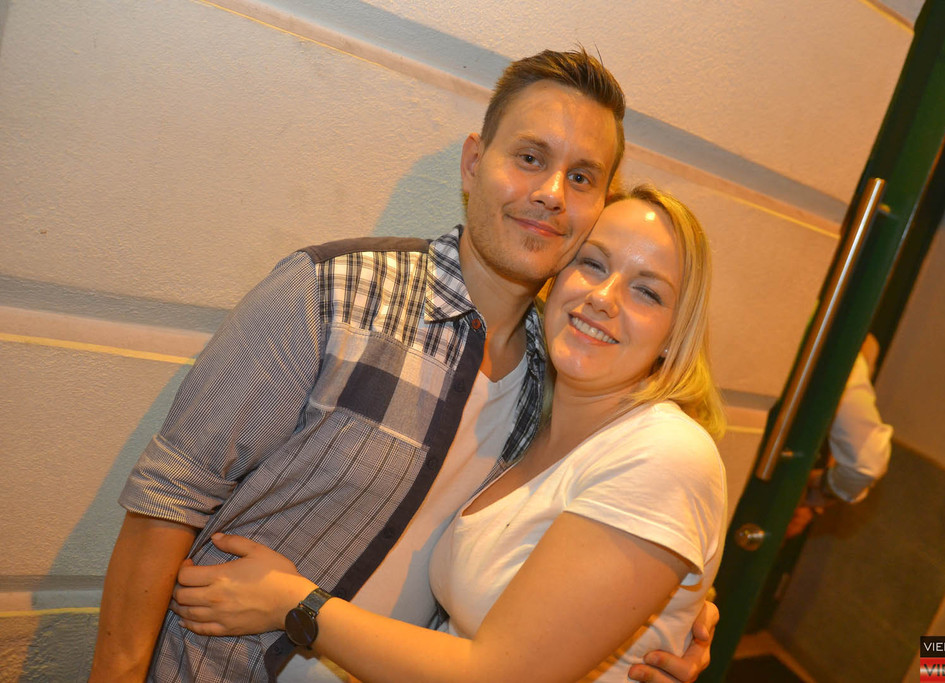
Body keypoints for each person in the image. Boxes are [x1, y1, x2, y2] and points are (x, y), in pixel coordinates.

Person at [89, 49, 716, 683]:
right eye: (530, 158)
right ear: (474, 163)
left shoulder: (555, 384)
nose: (552, 194)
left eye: (581, 177)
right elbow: (170, 498)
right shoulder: (331, 292)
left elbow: (573, 551)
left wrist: (665, 611)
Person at [172, 184, 727, 683]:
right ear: (556, 277)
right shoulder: (534, 422)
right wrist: (675, 598)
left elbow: (500, 673)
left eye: (648, 292)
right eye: (593, 264)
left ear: (674, 337)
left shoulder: (665, 452)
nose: (604, 297)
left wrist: (293, 603)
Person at [785, 333, 893, 538]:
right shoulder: (846, 340)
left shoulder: (862, 344)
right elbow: (864, 463)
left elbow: (838, 433)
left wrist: (813, 501)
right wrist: (822, 487)